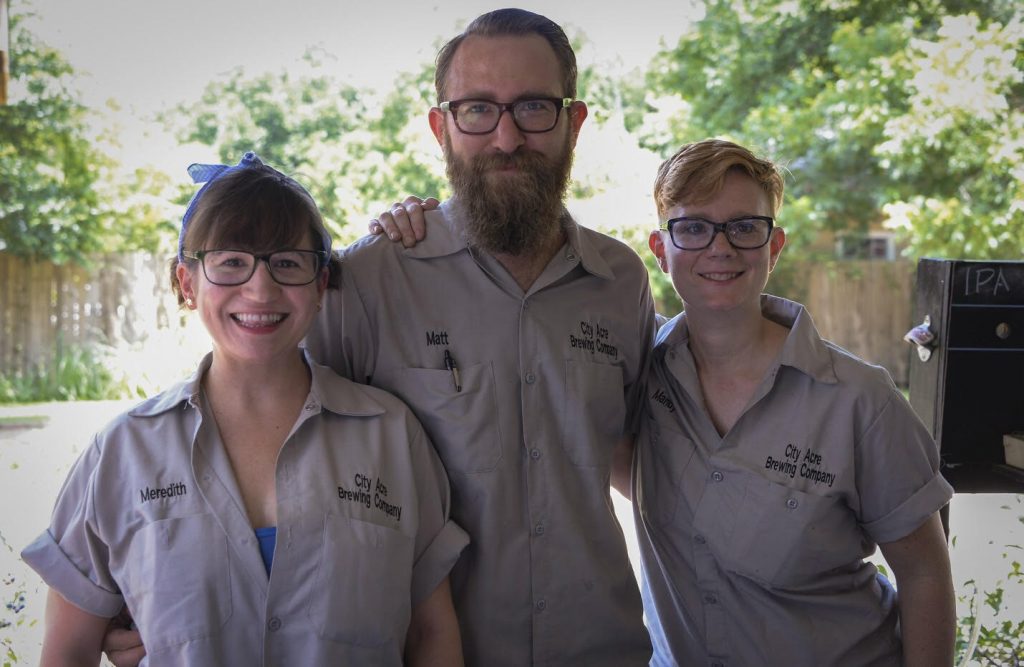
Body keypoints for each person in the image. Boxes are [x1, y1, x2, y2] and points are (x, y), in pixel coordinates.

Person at [307, 9, 656, 665]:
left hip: (602, 645)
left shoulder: (620, 281)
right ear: (441, 126)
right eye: (476, 110)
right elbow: (279, 449)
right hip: (432, 649)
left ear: (573, 122)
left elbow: (632, 459)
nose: (505, 136)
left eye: (532, 107)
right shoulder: (372, 279)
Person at [22, 153, 467, 666]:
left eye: (287, 262)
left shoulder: (391, 436)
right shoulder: (122, 452)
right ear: (188, 284)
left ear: (321, 285)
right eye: (231, 261)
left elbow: (432, 635)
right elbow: (66, 653)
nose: (260, 288)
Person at [634, 138, 955, 666]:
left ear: (774, 246)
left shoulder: (859, 402)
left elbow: (923, 573)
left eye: (744, 227)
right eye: (692, 227)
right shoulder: (636, 376)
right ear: (660, 249)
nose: (720, 247)